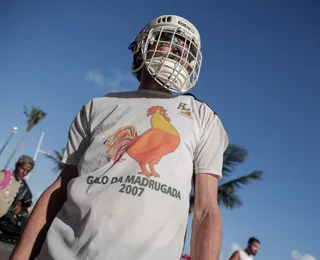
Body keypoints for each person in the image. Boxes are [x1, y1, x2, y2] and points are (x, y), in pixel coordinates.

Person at [11, 14, 229, 260]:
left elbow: (205, 211)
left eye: (188, 50)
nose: (180, 51)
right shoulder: (98, 106)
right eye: (170, 40)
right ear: (141, 49)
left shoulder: (204, 117)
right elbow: (61, 187)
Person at [0, 155, 34, 244]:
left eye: (28, 171)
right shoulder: (4, 176)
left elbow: (27, 201)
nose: (24, 173)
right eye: (23, 168)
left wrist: (20, 203)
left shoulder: (22, 186)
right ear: (17, 166)